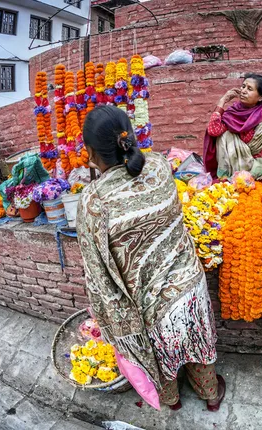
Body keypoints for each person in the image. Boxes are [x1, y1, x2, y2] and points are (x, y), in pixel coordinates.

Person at [76, 106, 225, 412]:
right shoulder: (158, 164)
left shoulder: (93, 200)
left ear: (90, 152)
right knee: (198, 342)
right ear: (128, 135)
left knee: (161, 356)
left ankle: (171, 399)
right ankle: (210, 395)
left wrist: (109, 320)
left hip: (149, 305)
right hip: (189, 286)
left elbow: (97, 272)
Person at [203, 73, 262, 179]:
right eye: (243, 86)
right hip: (238, 168)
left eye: (249, 89)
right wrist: (222, 101)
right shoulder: (233, 113)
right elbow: (213, 131)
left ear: (260, 97)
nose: (243, 91)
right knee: (224, 135)